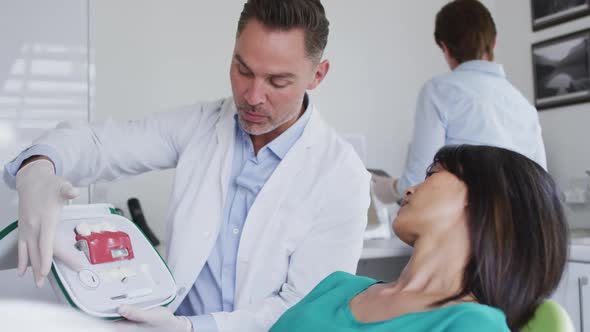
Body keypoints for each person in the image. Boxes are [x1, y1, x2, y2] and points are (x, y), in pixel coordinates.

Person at [3, 0, 371, 331]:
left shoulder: (341, 174)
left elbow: (307, 309)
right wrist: (39, 164)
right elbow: (101, 145)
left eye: (278, 81)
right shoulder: (201, 124)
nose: (253, 96)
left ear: (317, 75)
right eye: (243, 70)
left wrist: (194, 329)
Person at [270, 145, 569, 332]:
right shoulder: (337, 286)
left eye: (432, 174)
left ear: (481, 197)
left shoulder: (472, 324)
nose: (410, 189)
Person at [373, 0, 547, 204]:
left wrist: (389, 188)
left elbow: (418, 181)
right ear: (494, 42)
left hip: (464, 227)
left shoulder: (437, 92)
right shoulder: (524, 106)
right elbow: (542, 186)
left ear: (445, 48)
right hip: (517, 228)